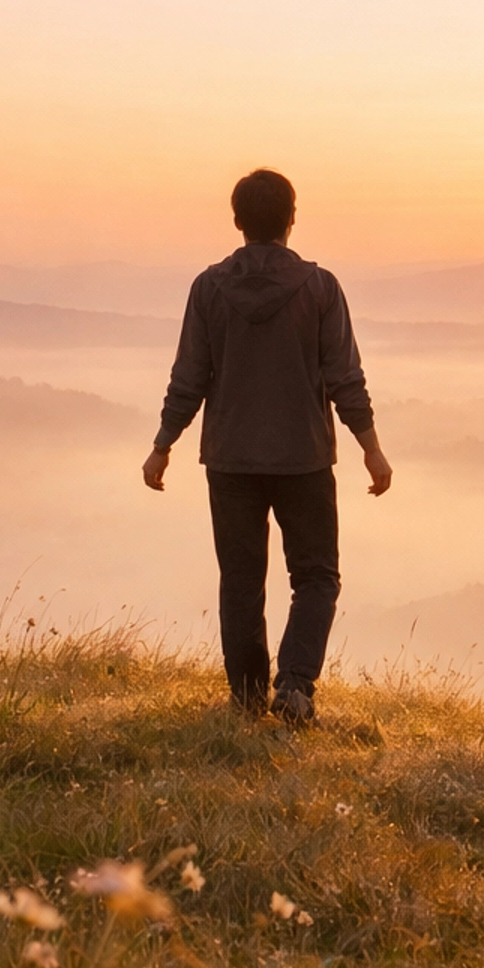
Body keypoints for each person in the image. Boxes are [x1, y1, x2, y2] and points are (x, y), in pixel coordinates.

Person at [142, 168, 391, 724]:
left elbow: (190, 376)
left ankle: (249, 699)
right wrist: (370, 447)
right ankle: (296, 685)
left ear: (237, 222)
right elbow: (345, 377)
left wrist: (164, 444)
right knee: (317, 575)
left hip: (229, 460)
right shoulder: (320, 288)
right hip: (303, 458)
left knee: (240, 577)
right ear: (292, 218)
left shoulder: (208, 289)